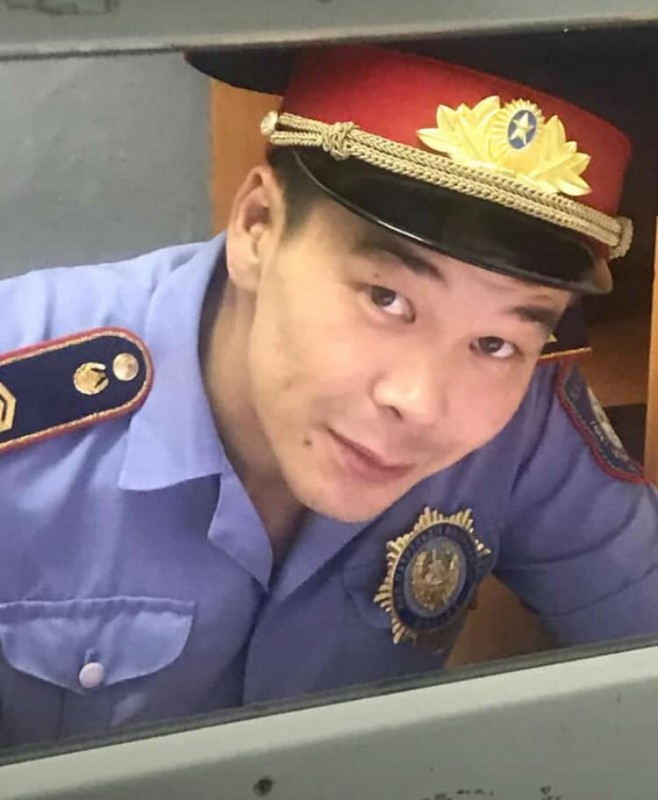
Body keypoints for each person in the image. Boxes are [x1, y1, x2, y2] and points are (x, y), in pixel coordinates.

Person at [0, 42, 656, 749]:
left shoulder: (522, 413)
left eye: (496, 342)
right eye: (386, 298)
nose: (421, 400)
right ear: (257, 226)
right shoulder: (25, 401)